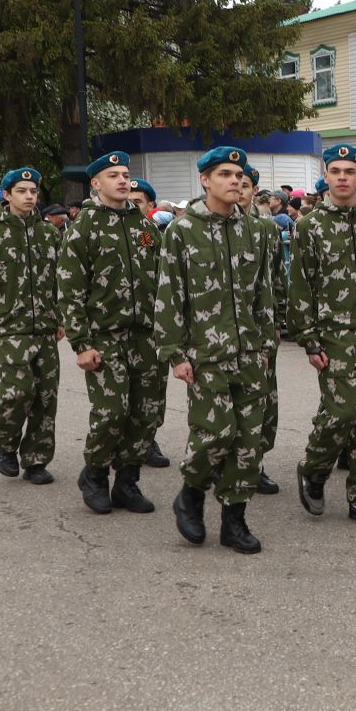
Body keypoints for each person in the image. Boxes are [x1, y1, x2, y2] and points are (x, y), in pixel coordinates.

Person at [154, 147, 277, 554]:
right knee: (215, 433)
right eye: (225, 174)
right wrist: (174, 354)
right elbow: (169, 295)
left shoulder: (257, 231)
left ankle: (234, 520)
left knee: (249, 441)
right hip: (205, 354)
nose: (235, 181)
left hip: (249, 353)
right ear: (205, 180)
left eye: (239, 175)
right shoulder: (182, 231)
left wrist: (266, 344)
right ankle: (190, 493)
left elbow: (263, 291)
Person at [291, 142, 356, 528]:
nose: (342, 178)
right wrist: (308, 339)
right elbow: (301, 285)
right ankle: (314, 469)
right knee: (342, 412)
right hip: (334, 335)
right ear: (326, 177)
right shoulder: (310, 226)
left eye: (349, 172)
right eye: (335, 171)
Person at [56, 150, 161, 517]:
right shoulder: (84, 226)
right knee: (112, 412)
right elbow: (70, 288)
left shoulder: (144, 226)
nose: (122, 180)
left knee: (147, 413)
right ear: (96, 183)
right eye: (113, 175)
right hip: (104, 336)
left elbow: (162, 278)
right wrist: (81, 344)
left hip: (145, 336)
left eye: (126, 175)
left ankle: (127, 481)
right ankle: (95, 474)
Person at [0, 167, 62, 485]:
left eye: (33, 191)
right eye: (21, 191)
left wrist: (61, 318)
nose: (29, 196)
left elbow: (61, 280)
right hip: (10, 326)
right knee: (16, 392)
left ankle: (36, 459)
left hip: (45, 326)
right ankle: (4, 444)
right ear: (7, 195)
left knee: (45, 397)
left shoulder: (50, 234)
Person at [236, 165, 285, 496]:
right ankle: (229, 463)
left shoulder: (267, 230)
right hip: (222, 332)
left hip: (260, 329)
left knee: (265, 401)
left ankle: (256, 462)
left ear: (255, 191)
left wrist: (278, 321)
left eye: (246, 185)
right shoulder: (204, 229)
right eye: (234, 182)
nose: (239, 189)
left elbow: (277, 277)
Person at [127, 179, 174, 470]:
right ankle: (121, 439)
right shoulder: (105, 230)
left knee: (153, 387)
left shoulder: (151, 235)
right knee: (120, 391)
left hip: (151, 325)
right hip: (115, 325)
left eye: (139, 202)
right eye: (129, 200)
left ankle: (148, 438)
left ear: (150, 206)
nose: (133, 206)